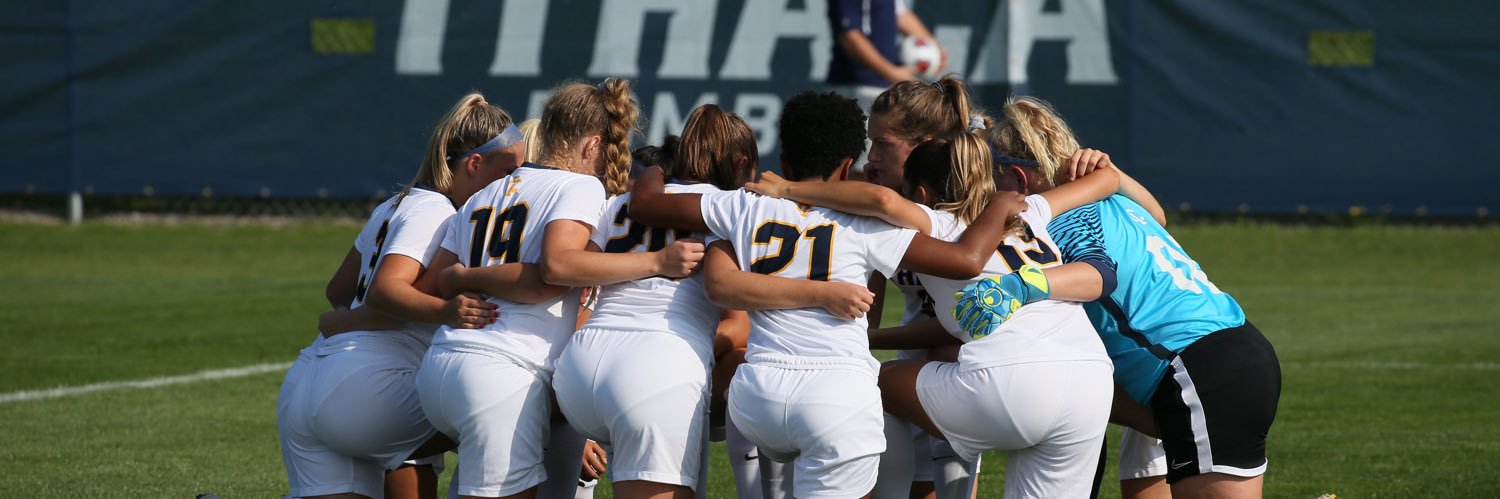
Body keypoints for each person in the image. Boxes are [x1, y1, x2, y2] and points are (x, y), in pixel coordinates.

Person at [627, 91, 1027, 499]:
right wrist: (998, 207)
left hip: (756, 397)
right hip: (837, 396)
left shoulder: (742, 203)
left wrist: (659, 165)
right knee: (884, 440)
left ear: (782, 163)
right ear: (846, 166)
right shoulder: (869, 223)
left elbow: (647, 205)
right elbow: (965, 260)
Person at [743, 126, 1127, 497]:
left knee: (872, 384)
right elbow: (1107, 180)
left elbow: (882, 201)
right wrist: (1094, 162)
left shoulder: (940, 224)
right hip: (1090, 381)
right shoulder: (1030, 210)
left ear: (922, 193)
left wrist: (788, 190)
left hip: (1009, 384)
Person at [416, 78, 705, 499]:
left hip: (441, 364)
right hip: (503, 372)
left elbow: (436, 282)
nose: (607, 165)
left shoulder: (489, 190)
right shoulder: (579, 185)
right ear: (591, 146)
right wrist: (656, 263)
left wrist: (463, 278)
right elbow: (556, 267)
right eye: (605, 153)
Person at [982, 96, 1282, 499]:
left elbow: (1096, 275)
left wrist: (1021, 286)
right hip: (1231, 353)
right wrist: (1113, 174)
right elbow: (1158, 216)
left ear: (1018, 180)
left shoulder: (1061, 221)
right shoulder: (1118, 201)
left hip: (1195, 370)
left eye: (992, 181)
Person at [552, 104, 854, 499]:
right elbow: (741, 313)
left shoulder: (618, 203)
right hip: (657, 368)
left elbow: (578, 275)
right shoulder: (732, 209)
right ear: (742, 162)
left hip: (578, 368)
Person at [277, 93, 534, 499]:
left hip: (311, 379)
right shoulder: (438, 211)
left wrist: (348, 319)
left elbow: (339, 291)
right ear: (474, 165)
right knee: (516, 410)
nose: (518, 183)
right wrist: (446, 310)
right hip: (370, 388)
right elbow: (386, 289)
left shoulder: (396, 204)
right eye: (511, 171)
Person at [859, 75, 990, 499]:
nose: (871, 156)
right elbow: (867, 300)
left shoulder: (964, 212)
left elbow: (957, 328)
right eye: (870, 143)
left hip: (968, 361)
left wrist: (873, 338)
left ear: (923, 145)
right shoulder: (885, 201)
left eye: (883, 144)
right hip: (911, 363)